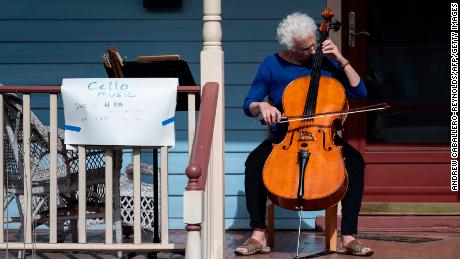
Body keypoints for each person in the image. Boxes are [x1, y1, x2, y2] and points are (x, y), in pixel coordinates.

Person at [234, 12, 374, 256]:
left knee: (355, 162)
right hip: (284, 138)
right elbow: (249, 104)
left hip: (323, 136)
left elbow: (360, 92)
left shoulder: (327, 60)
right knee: (254, 163)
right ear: (290, 48)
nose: (313, 50)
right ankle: (258, 234)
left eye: (314, 43)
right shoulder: (271, 65)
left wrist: (341, 60)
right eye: (306, 48)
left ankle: (349, 236)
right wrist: (263, 106)